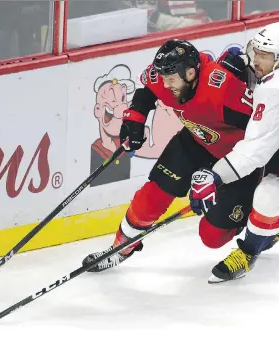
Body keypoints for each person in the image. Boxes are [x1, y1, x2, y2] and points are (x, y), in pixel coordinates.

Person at [82, 39, 267, 273]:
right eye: (163, 78)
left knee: (212, 236)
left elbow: (266, 130)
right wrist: (136, 115)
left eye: (171, 80)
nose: (165, 85)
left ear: (191, 73)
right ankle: (120, 249)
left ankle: (271, 216)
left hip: (237, 158)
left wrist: (269, 172)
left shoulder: (223, 91)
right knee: (149, 200)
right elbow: (148, 90)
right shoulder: (167, 77)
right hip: (196, 140)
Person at [194, 22, 279, 283]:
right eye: (255, 52)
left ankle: (248, 252)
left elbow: (254, 150)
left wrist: (215, 176)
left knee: (267, 195)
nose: (255, 60)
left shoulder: (276, 90)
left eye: (263, 56)